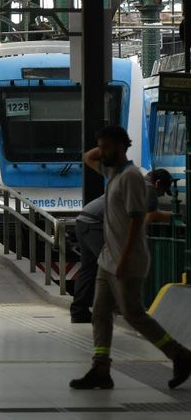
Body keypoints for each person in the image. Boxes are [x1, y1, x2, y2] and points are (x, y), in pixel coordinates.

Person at [70, 126, 191, 390]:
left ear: (121, 146)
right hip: (107, 260)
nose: (100, 153)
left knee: (134, 314)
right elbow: (87, 157)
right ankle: (100, 367)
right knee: (100, 312)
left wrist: (124, 260)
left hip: (127, 261)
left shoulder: (133, 178)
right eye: (100, 146)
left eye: (106, 147)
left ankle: (180, 354)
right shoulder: (113, 173)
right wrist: (104, 146)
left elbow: (137, 222)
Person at [68, 195, 105, 324]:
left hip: (84, 222)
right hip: (94, 225)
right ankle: (111, 308)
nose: (162, 195)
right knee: (110, 264)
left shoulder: (126, 185)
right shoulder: (144, 191)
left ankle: (79, 312)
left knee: (88, 269)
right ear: (158, 183)